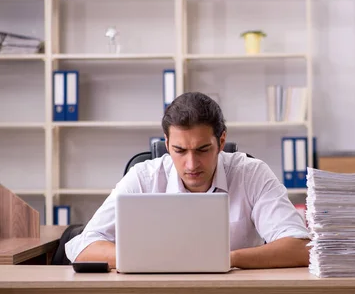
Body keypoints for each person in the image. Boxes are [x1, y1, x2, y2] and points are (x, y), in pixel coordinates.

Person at [65, 92, 310, 269]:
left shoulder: (251, 174)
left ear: (221, 142)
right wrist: (155, 259)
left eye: (202, 149)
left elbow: (300, 247)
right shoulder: (144, 176)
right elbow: (83, 248)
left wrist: (227, 259)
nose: (191, 165)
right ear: (166, 143)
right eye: (180, 151)